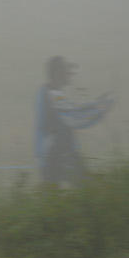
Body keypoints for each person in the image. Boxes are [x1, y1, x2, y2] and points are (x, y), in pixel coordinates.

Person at [34, 55, 113, 188]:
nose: (70, 74)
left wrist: (96, 104)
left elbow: (72, 109)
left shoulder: (48, 92)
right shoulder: (53, 95)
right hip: (59, 154)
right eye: (67, 70)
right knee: (88, 191)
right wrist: (101, 109)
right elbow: (75, 118)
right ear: (57, 73)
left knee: (56, 197)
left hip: (55, 154)